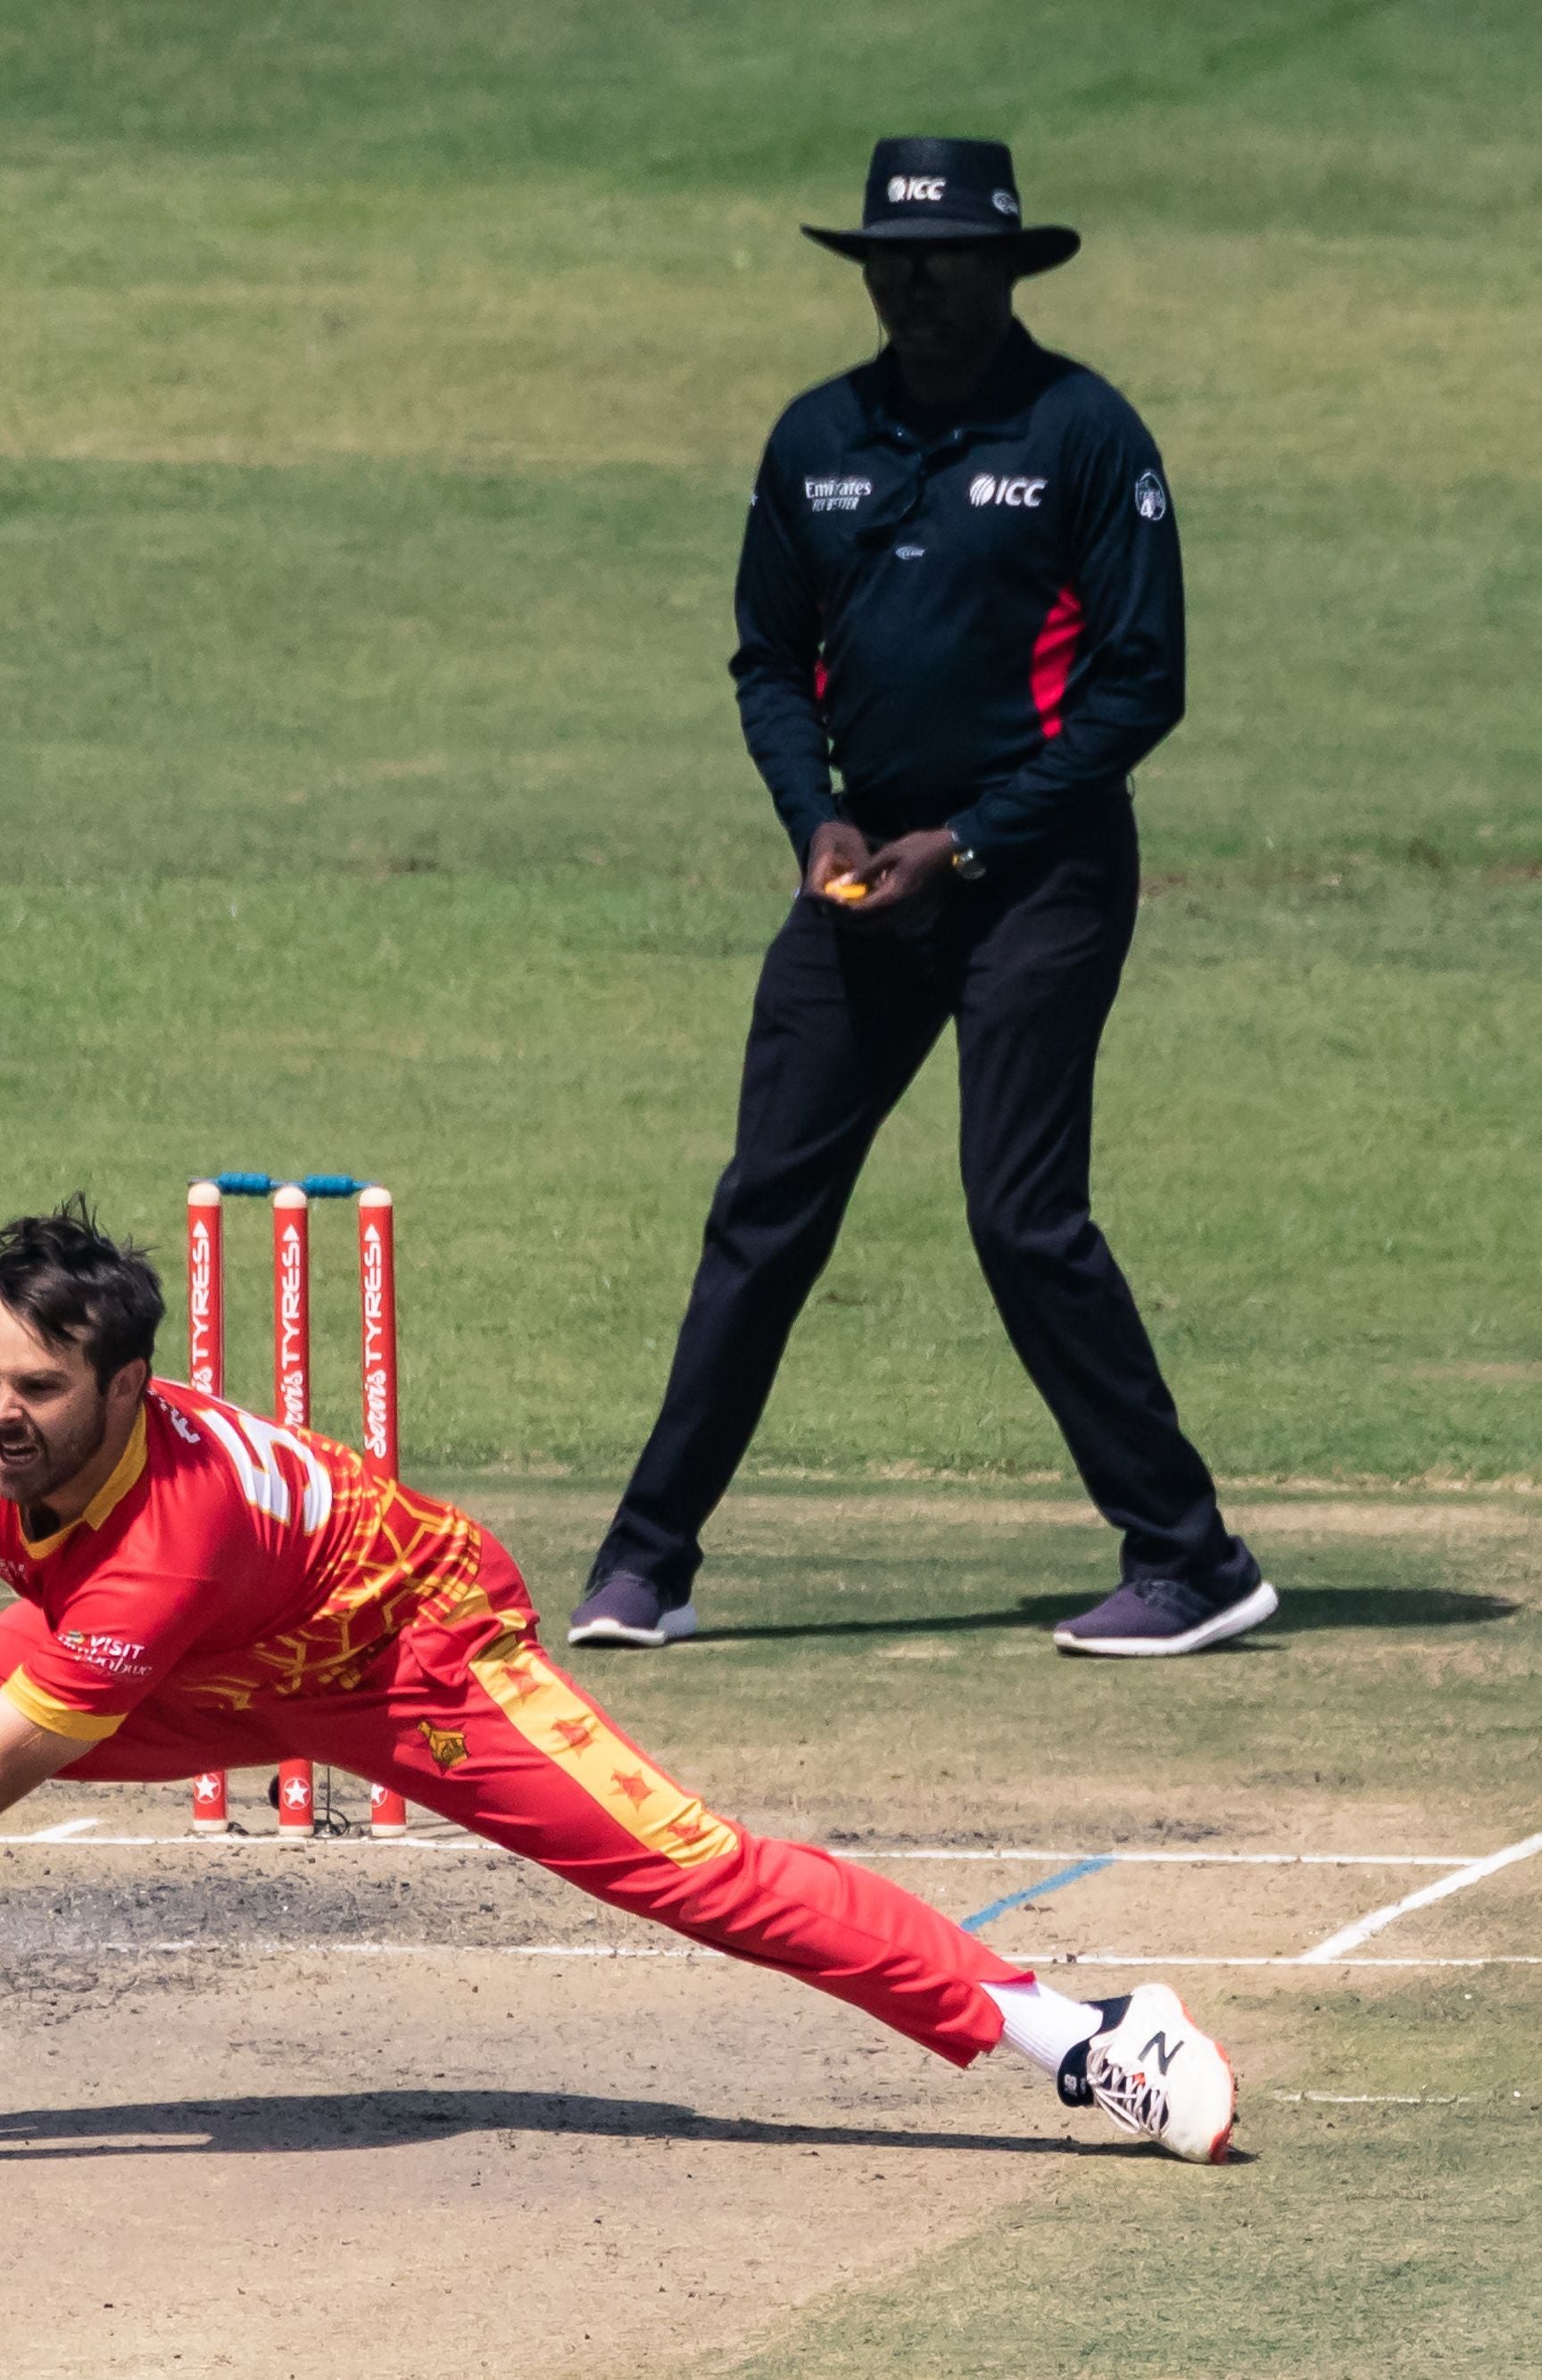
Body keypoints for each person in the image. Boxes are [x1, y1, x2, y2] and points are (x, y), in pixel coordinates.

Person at [0, 1206, 1236, 2163]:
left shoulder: (164, 1536)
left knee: (696, 1871)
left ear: (128, 1385)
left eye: (39, 1386)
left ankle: (1083, 2037)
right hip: (204, 1669)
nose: (0, 1417)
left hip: (410, 1656)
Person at [569, 137, 1268, 1662]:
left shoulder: (1085, 434)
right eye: (895, 254)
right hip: (860, 881)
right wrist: (816, 815)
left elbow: (1141, 688)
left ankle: (1192, 1558)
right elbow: (767, 660)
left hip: (1044, 877)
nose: (919, 278)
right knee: (766, 1210)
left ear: (1010, 267)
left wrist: (967, 841)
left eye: (948, 254)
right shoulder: (817, 436)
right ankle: (648, 1561)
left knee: (1021, 1217)